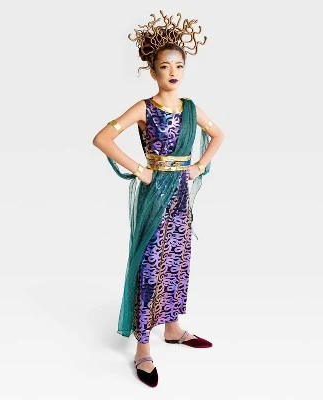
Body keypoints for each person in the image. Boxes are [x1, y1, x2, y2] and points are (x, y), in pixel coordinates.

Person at [92, 10, 224, 387]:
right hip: (155, 195)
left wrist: (199, 165)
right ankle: (143, 347)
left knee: (178, 259)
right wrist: (139, 169)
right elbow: (102, 138)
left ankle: (173, 328)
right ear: (153, 72)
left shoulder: (191, 109)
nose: (173, 71)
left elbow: (218, 135)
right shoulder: (145, 108)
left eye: (179, 65)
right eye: (165, 66)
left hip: (180, 194)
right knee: (149, 262)